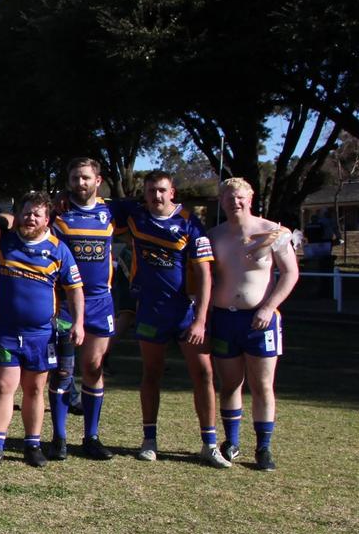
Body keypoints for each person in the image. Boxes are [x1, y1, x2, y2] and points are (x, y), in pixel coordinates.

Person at [116, 170, 228, 468]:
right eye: (151, 190)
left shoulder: (190, 223)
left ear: (172, 192)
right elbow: (97, 205)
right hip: (151, 310)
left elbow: (205, 275)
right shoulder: (135, 216)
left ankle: (209, 443)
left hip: (186, 313)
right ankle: (149, 440)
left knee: (203, 375)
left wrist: (201, 320)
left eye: (162, 190)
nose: (156, 196)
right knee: (151, 374)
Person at [0, 192, 84, 469]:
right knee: (3, 388)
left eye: (37, 214)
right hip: (6, 330)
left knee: (35, 389)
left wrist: (79, 322)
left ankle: (32, 444)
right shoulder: (3, 243)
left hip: (41, 334)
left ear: (47, 220)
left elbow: (75, 291)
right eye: (26, 212)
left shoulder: (59, 249)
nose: (31, 218)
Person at [208, 178, 298, 471]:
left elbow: (290, 274)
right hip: (224, 318)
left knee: (262, 385)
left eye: (241, 197)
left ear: (251, 199)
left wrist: (269, 307)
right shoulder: (214, 235)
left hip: (260, 320)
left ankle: (264, 447)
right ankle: (231, 442)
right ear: (221, 201)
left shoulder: (272, 232)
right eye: (229, 197)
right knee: (230, 383)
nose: (236, 202)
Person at [48, 158, 118, 461]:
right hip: (63, 305)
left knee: (93, 368)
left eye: (86, 178)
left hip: (100, 303)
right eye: (75, 178)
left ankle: (91, 436)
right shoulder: (58, 214)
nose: (81, 183)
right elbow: (24, 217)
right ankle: (59, 438)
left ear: (98, 180)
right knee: (63, 372)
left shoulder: (113, 212)